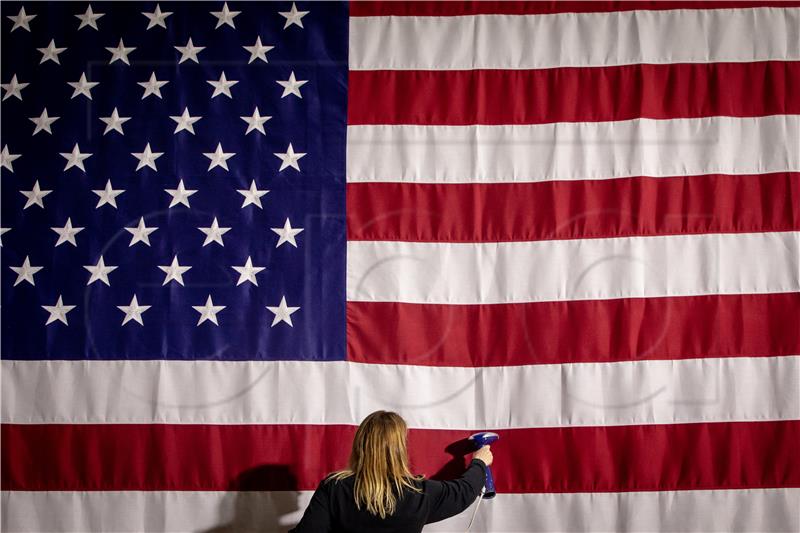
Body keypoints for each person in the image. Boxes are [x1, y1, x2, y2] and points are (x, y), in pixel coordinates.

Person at [289, 410, 493, 532]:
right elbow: (464, 490)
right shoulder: (420, 493)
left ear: (360, 445)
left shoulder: (334, 487)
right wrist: (479, 462)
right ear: (400, 449)